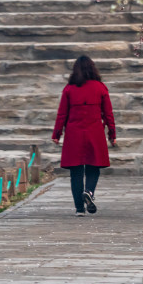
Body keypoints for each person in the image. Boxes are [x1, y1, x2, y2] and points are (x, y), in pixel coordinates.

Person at [52, 55, 116, 216]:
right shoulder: (100, 87)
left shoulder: (69, 89)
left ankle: (79, 208)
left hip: (74, 134)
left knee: (76, 172)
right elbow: (108, 114)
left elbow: (62, 114)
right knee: (94, 168)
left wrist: (57, 134)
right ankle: (89, 192)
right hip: (95, 132)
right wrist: (112, 134)